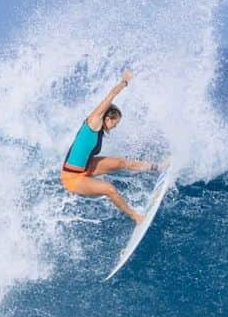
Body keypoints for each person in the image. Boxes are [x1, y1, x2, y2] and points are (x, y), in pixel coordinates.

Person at [60, 70, 159, 224]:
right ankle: (136, 217)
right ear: (107, 117)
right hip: (72, 178)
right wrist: (124, 82)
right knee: (109, 189)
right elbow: (111, 95)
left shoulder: (99, 128)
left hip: (85, 167)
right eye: (115, 122)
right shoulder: (94, 121)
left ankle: (157, 167)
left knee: (122, 162)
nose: (114, 127)